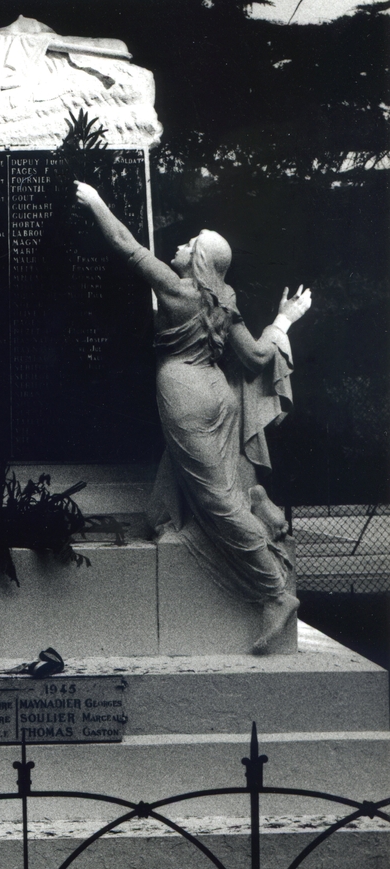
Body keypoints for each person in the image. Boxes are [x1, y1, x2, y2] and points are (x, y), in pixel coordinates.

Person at [74, 181, 312, 654]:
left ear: (198, 261)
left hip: (186, 398)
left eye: (189, 244)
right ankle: (241, 501)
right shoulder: (225, 302)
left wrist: (96, 202)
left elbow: (126, 245)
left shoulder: (178, 290)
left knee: (217, 503)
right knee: (175, 503)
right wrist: (284, 321)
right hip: (216, 396)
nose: (179, 246)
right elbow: (259, 356)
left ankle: (273, 592)